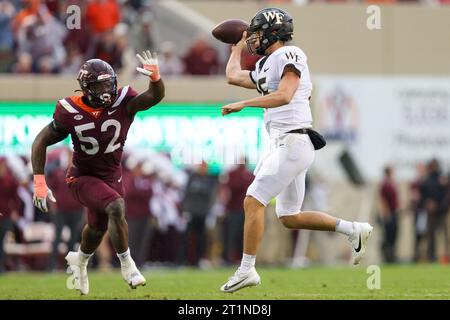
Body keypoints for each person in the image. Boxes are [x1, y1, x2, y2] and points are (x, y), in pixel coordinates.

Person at [220, 8, 373, 293]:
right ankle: (354, 230)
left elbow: (285, 94)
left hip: (292, 142)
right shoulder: (268, 63)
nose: (254, 39)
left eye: (257, 33)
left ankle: (247, 269)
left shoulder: (290, 55)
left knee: (253, 201)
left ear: (273, 33)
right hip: (286, 143)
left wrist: (244, 104)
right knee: (289, 216)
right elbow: (232, 76)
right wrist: (237, 47)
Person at [31, 50, 164, 295]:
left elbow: (153, 98)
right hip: (82, 176)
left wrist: (156, 79)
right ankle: (127, 265)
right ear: (86, 87)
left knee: (97, 227)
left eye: (109, 83)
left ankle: (80, 261)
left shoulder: (123, 100)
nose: (106, 89)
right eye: (100, 85)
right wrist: (39, 181)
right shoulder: (70, 110)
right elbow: (40, 141)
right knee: (115, 207)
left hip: (113, 176)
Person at [378, 166, 399, 263]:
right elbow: (383, 200)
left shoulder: (393, 184)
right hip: (389, 214)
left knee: (394, 235)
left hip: (395, 213)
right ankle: (387, 257)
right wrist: (387, 214)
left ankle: (392, 255)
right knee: (388, 236)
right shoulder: (385, 185)